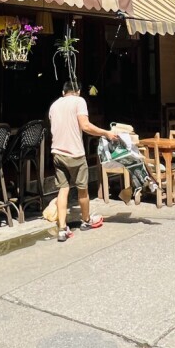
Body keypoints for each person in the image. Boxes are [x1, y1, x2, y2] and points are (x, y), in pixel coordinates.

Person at [48, 81, 118, 242]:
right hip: (75, 154)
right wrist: (106, 133)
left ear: (63, 91)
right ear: (78, 91)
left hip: (57, 152)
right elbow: (85, 126)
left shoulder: (54, 105)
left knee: (63, 190)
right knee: (82, 189)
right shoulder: (79, 101)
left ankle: (62, 228)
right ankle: (86, 221)